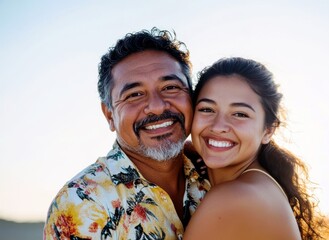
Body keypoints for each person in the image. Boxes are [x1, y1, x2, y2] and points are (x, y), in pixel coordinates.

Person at [43, 28, 210, 240]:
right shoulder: (83, 202)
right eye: (135, 94)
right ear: (109, 115)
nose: (157, 107)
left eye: (170, 87)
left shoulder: (216, 175)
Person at [183, 57, 329, 239]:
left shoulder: (233, 197)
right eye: (207, 109)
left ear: (268, 130)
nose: (218, 126)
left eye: (240, 114)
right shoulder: (260, 184)